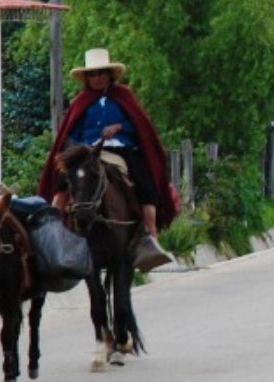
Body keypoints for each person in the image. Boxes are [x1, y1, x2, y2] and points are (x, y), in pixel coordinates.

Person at [37, 47, 175, 273]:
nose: (98, 78)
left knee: (145, 183)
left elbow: (140, 126)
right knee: (62, 181)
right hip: (88, 152)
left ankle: (150, 236)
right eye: (93, 74)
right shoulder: (81, 102)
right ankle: (55, 233)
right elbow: (71, 132)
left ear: (110, 75)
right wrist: (76, 148)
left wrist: (120, 127)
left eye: (102, 73)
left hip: (122, 150)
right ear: (87, 78)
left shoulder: (124, 97)